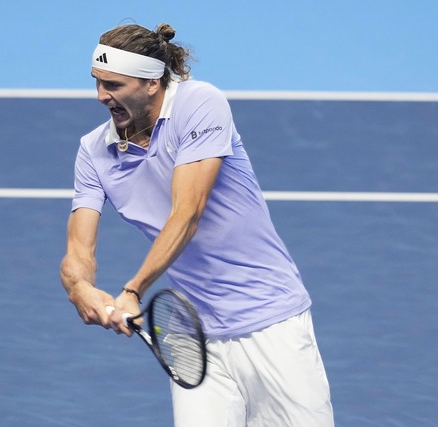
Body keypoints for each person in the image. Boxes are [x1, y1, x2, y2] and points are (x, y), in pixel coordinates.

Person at [60, 22, 334, 426]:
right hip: (194, 335)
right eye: (97, 83)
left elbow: (187, 211)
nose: (102, 96)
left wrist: (133, 289)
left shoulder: (199, 104)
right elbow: (78, 252)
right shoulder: (93, 151)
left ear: (152, 82)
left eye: (114, 85)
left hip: (270, 321)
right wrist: (80, 289)